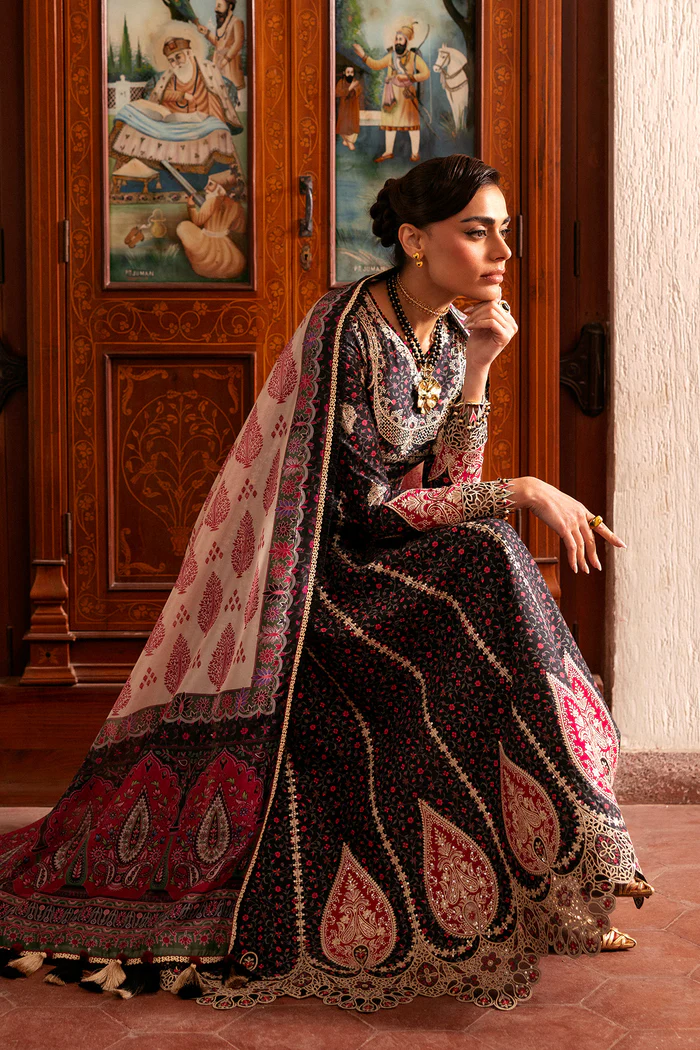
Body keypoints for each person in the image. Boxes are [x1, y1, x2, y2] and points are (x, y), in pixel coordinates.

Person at [0, 155, 652, 1013]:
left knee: (488, 557)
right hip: (323, 575)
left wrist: (482, 366)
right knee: (491, 551)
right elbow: (366, 509)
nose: (501, 251)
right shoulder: (349, 327)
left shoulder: (448, 333)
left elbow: (447, 483)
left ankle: (566, 874)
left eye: (503, 231)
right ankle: (577, 862)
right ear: (414, 239)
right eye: (476, 231)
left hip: (381, 552)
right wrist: (524, 490)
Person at [353, 22, 429, 162]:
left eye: (400, 39)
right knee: (390, 125)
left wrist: (409, 77)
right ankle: (388, 152)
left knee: (412, 125)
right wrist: (363, 55)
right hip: (391, 95)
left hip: (407, 95)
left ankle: (415, 153)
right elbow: (376, 65)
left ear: (406, 42)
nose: (397, 42)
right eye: (396, 39)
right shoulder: (390, 57)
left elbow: (425, 73)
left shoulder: (413, 57)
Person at [177, 170, 246, 280]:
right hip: (226, 246)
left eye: (210, 184)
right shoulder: (236, 206)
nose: (205, 188)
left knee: (184, 227)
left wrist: (191, 206)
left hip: (207, 243)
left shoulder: (211, 201)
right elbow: (239, 228)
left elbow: (197, 221)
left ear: (220, 187)